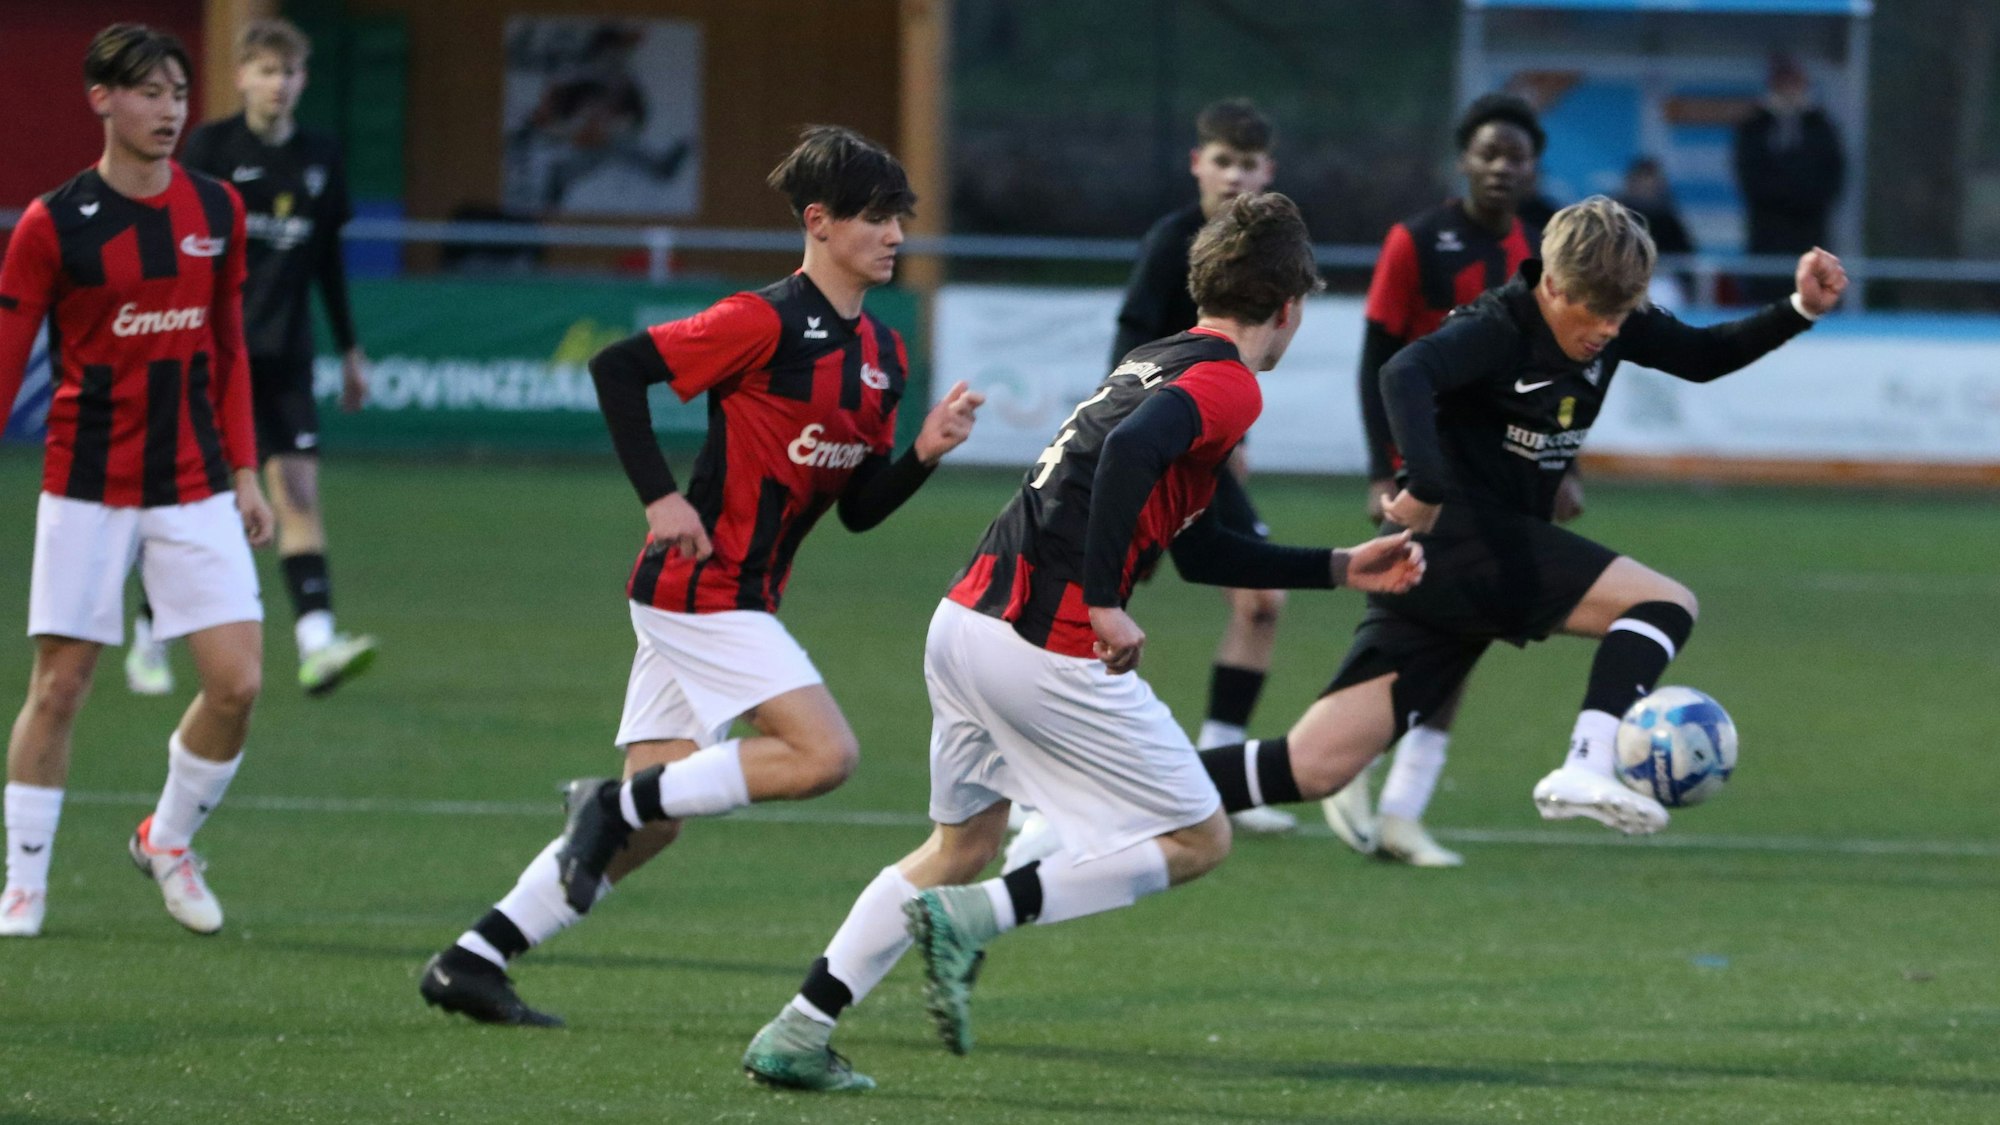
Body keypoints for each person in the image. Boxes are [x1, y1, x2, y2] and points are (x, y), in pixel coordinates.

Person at [738, 192, 1426, 1092]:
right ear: (1292, 307)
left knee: (962, 841)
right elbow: (1135, 453)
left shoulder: (1154, 359)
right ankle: (975, 920)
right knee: (1199, 838)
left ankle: (799, 1029)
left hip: (966, 623)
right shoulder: (1227, 381)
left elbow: (1201, 543)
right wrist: (1104, 602)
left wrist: (1342, 566)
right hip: (1044, 642)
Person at [416, 125, 983, 1026]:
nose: (894, 235)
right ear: (819, 222)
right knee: (824, 755)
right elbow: (618, 368)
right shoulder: (762, 319)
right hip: (700, 584)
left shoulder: (884, 356)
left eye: (899, 219)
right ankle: (611, 800)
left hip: (734, 594)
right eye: (876, 218)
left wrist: (921, 451)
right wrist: (657, 497)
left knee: (656, 825)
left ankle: (474, 957)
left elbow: (863, 509)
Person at [1203, 197, 1845, 850]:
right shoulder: (1499, 324)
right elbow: (1406, 371)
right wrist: (1423, 483)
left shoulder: (1615, 315)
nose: (1606, 329)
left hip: (1444, 569)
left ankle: (1132, 787)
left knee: (1312, 765)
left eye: (1621, 314)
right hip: (1464, 539)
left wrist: (1799, 310)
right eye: (1594, 312)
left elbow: (1704, 355)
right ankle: (1588, 764)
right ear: (1554, 284)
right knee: (1664, 602)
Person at [0, 24, 274, 939]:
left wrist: (246, 469)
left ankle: (167, 836)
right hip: (84, 485)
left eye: (177, 94)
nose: (168, 111)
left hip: (195, 482)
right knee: (62, 684)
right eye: (148, 93)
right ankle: (24, 883)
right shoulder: (50, 223)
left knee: (237, 684)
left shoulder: (217, 213)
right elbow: (7, 360)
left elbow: (230, 351)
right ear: (102, 100)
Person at [1327, 92, 1565, 867]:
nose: (1501, 168)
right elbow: (1378, 361)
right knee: (1401, 622)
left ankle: (1402, 809)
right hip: (1425, 465)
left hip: (1503, 471)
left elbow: (1560, 369)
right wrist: (1380, 467)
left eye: (1516, 156)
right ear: (1463, 160)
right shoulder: (1418, 241)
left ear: (1534, 168)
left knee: (1469, 630)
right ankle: (1343, 763)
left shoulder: (1545, 248)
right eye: (1487, 153)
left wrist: (1564, 464)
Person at [126, 18, 375, 700]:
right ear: (241, 77)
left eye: (290, 72)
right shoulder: (209, 148)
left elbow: (327, 261)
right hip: (212, 353)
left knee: (297, 490)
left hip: (288, 355)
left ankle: (317, 644)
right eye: (266, 71)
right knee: (201, 503)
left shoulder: (321, 156)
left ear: (303, 80)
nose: (278, 84)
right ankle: (150, 633)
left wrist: (350, 349)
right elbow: (172, 244)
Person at [1104, 97, 1295, 835]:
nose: (1234, 176)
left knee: (1261, 600)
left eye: (1248, 164)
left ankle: (1217, 777)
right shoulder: (1171, 241)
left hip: (1205, 462)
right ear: (1197, 165)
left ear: (1267, 171)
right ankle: (1033, 780)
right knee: (1091, 607)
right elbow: (1127, 344)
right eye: (1222, 161)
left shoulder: (1269, 250)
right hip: (1146, 452)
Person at [1734, 54, 1844, 302]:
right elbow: (1749, 175)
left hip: (1810, 233)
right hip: (1767, 234)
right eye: (1782, 85)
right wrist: (1780, 197)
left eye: (1794, 85)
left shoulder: (1819, 126)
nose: (1789, 92)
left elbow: (1832, 175)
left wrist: (1803, 198)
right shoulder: (1756, 126)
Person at [1618, 156, 1697, 310]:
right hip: (1621, 280)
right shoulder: (1615, 216)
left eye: (1652, 182)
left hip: (1661, 281)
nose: (1647, 186)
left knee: (1663, 293)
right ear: (1631, 182)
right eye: (1642, 181)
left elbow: (1685, 254)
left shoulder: (1668, 219)